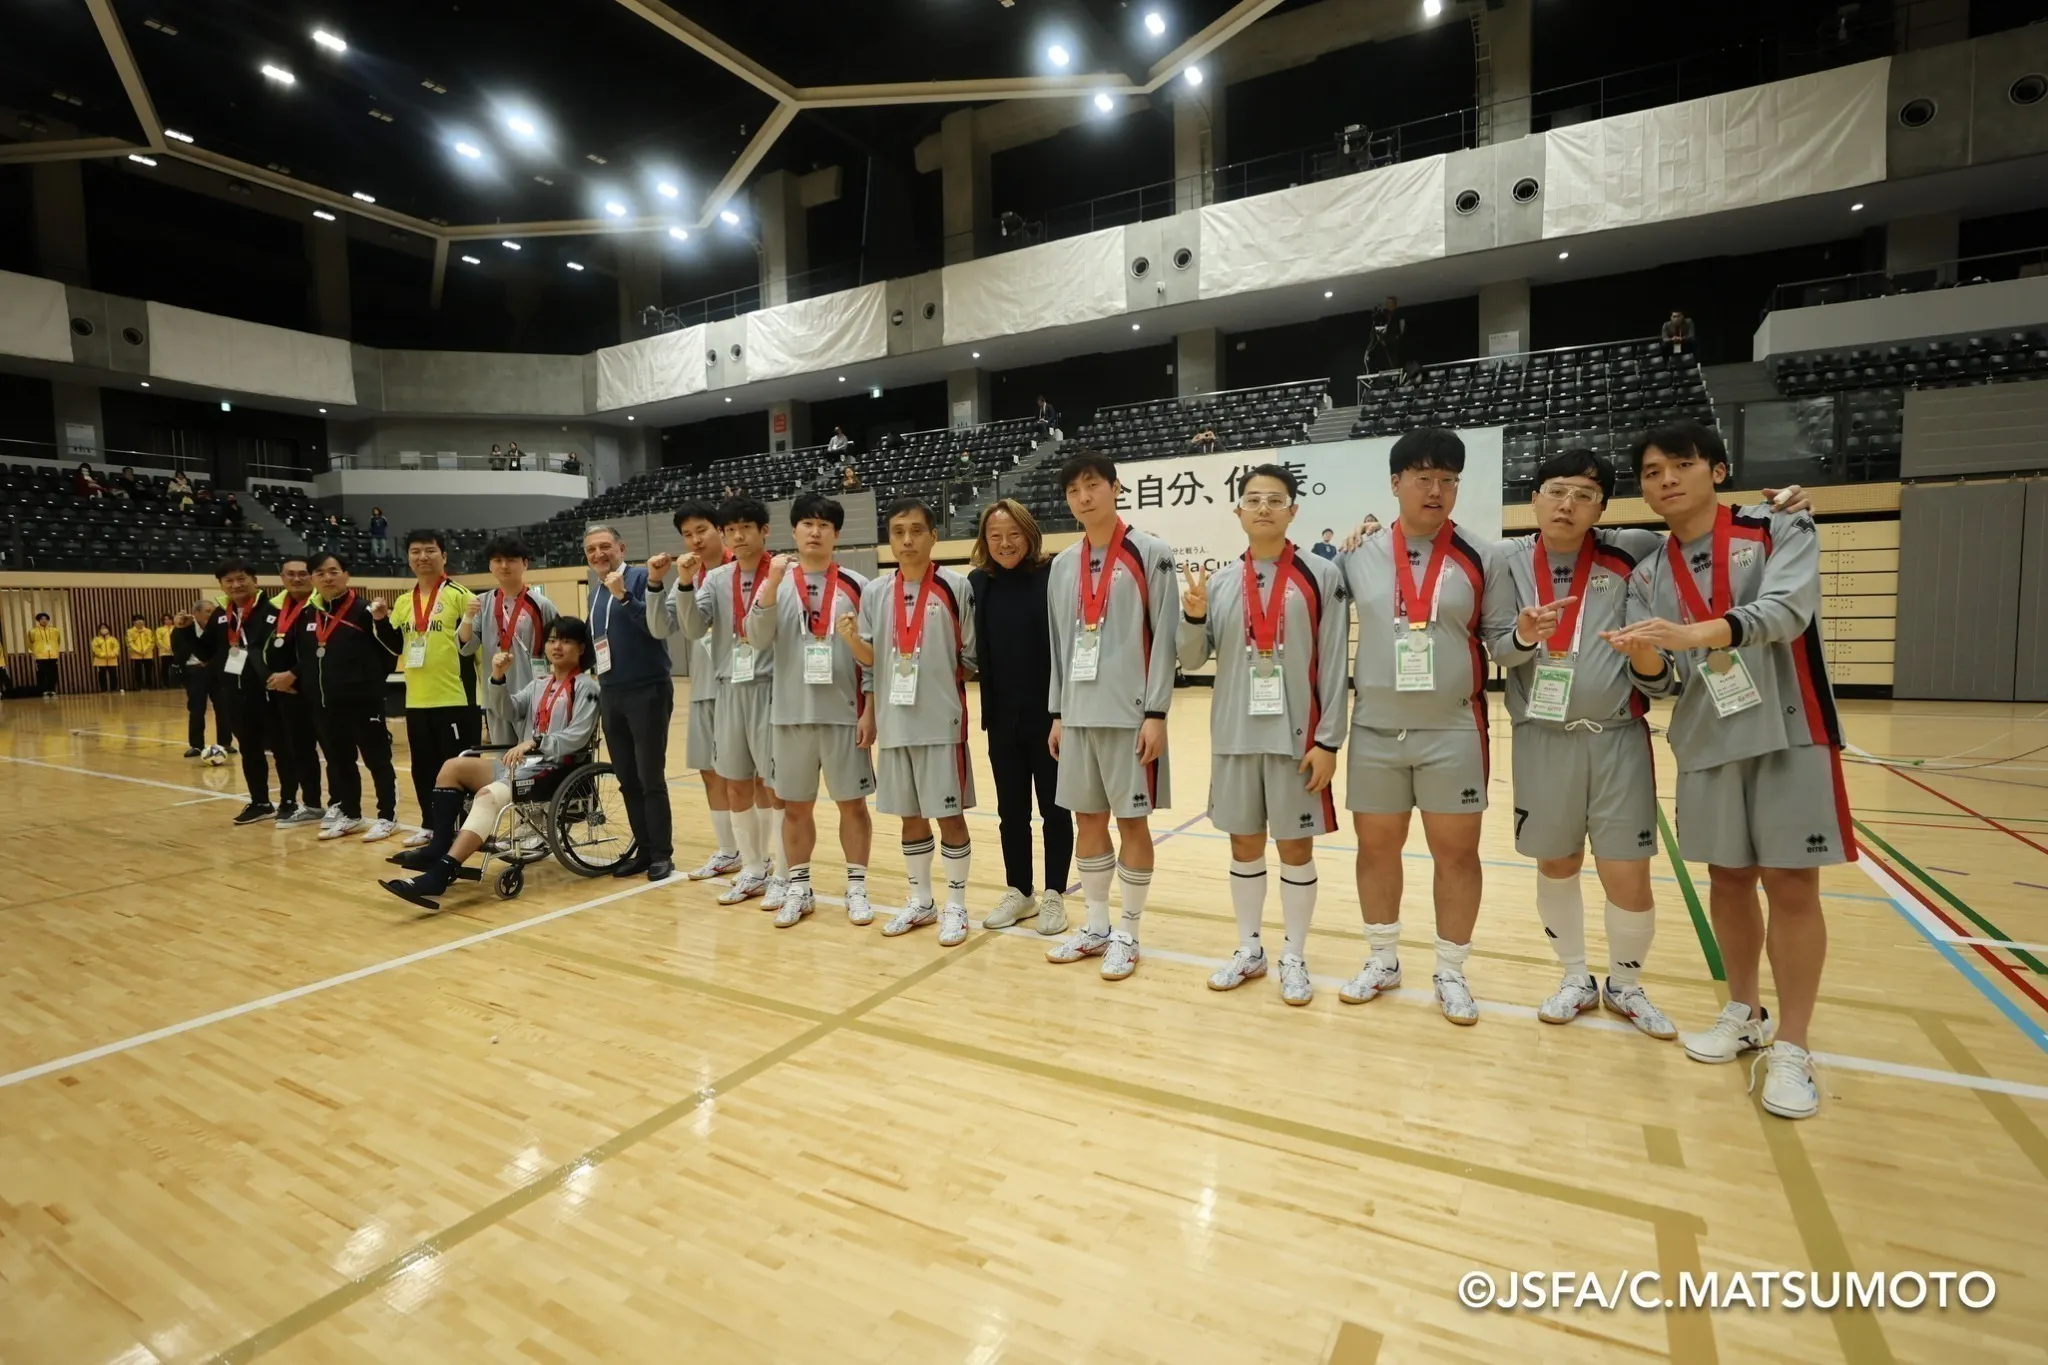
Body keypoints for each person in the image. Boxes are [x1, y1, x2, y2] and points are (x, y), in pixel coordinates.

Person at [1604, 421, 1848, 1120]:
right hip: (1708, 739)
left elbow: (1787, 611)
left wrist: (1692, 632)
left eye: (1681, 465)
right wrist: (1644, 654)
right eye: (1652, 472)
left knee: (1792, 885)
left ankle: (1793, 1044)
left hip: (1790, 730)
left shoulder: (1778, 526)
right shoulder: (1648, 573)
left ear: (1717, 469)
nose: (1667, 480)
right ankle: (1745, 1011)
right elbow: (1663, 681)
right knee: (1729, 881)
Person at [1334, 428, 1518, 1025]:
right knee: (1375, 849)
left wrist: (1523, 637)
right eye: (1423, 478)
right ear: (1396, 484)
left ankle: (1451, 970)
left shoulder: (1484, 556)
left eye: (1448, 480)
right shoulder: (1356, 554)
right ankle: (1382, 959)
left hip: (1453, 731)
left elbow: (1501, 642)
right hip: (1374, 730)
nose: (1436, 490)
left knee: (1457, 855)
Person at [1179, 464, 1350, 1006]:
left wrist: (1328, 741)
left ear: (1293, 510)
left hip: (1297, 740)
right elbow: (1191, 658)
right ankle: (1250, 949)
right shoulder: (1221, 582)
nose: (1263, 509)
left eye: (1275, 500)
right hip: (1234, 735)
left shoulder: (1321, 576)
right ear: (1238, 511)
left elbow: (1334, 663)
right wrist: (1193, 617)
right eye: (1253, 500)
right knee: (1244, 844)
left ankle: (1293, 955)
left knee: (1295, 847)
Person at [1043, 451, 1178, 981]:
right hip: (1078, 717)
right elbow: (1060, 645)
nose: (1084, 497)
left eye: (1092, 485)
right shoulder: (1061, 566)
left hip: (1130, 717)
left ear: (1115, 488)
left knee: (1132, 822)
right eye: (1074, 491)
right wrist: (1058, 712)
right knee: (1088, 820)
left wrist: (1157, 711)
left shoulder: (1151, 553)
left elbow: (1165, 638)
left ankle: (1129, 931)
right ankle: (1096, 925)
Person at [379, 617, 602, 908]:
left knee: (487, 796)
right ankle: (438, 848)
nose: (557, 646)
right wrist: (497, 677)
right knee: (452, 767)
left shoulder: (587, 687)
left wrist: (535, 742)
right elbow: (506, 710)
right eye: (551, 640)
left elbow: (578, 735)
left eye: (566, 641)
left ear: (581, 648)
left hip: (557, 768)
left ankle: (441, 874)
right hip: (524, 764)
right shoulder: (540, 684)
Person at [846, 498, 978, 944]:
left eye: (916, 530)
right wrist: (869, 707)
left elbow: (971, 657)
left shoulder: (956, 587)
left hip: (942, 725)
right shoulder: (875, 593)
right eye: (898, 532)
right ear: (889, 539)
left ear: (933, 536)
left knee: (950, 817)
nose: (907, 540)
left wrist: (937, 686)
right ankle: (922, 901)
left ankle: (956, 905)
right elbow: (870, 662)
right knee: (910, 817)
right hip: (895, 723)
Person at [745, 494, 874, 928]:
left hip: (844, 716)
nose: (815, 532)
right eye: (807, 524)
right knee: (795, 809)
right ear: (794, 531)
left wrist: (869, 710)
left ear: (837, 534)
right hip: (790, 716)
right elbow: (755, 638)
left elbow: (871, 655)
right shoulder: (775, 582)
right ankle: (799, 888)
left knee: (852, 806)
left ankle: (857, 887)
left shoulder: (858, 584)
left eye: (824, 525)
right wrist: (770, 584)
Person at [671, 497, 786, 905]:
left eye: (746, 528)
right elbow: (692, 628)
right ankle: (753, 868)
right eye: (731, 530)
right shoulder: (717, 579)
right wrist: (685, 583)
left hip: (771, 687)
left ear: (763, 531)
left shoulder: (783, 573)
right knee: (736, 783)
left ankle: (784, 872)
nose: (738, 536)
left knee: (775, 785)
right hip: (729, 689)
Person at [968, 499, 1070, 935]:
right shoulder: (979, 582)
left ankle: (1055, 894)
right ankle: (1020, 891)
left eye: (1013, 534)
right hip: (1001, 718)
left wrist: (1061, 713)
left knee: (1055, 810)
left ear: (1029, 535)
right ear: (984, 541)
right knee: (1011, 812)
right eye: (995, 536)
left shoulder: (1052, 576)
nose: (1005, 543)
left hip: (1048, 718)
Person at [649, 503, 739, 883]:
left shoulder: (742, 570)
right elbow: (661, 628)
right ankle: (729, 851)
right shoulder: (689, 576)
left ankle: (761, 857)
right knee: (709, 771)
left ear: (720, 529)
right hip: (704, 687)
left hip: (743, 687)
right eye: (687, 535)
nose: (695, 540)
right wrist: (656, 584)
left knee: (747, 776)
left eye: (701, 530)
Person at [584, 525, 675, 881]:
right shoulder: (595, 593)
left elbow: (655, 627)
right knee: (627, 777)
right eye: (591, 549)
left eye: (605, 546)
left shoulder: (639, 579)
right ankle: (644, 849)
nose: (599, 554)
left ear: (621, 548)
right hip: (611, 692)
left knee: (650, 777)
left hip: (647, 689)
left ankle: (662, 854)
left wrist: (624, 596)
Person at [179, 557, 298, 825]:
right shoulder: (221, 615)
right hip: (235, 694)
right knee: (249, 749)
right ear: (221, 585)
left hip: (271, 693)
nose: (236, 585)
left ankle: (289, 801)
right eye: (229, 581)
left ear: (254, 580)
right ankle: (260, 802)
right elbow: (206, 653)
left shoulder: (273, 610)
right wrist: (186, 631)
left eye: (241, 578)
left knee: (282, 748)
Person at [297, 552, 402, 841]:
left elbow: (392, 651)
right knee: (339, 762)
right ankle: (352, 815)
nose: (327, 578)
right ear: (312, 579)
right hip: (325, 704)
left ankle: (387, 817)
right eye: (320, 573)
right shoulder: (308, 614)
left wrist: (369, 683)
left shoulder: (365, 610)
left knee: (377, 760)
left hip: (363, 702)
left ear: (346, 575)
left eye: (333, 571)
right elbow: (305, 658)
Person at [395, 531, 480, 849]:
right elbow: (396, 644)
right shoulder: (403, 602)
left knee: (459, 768)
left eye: (430, 550)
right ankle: (430, 826)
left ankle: (464, 828)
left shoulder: (462, 596)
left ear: (443, 556)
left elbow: (476, 649)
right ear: (408, 558)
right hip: (417, 700)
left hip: (455, 699)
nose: (422, 557)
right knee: (422, 768)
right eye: (415, 551)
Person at [457, 534, 557, 737]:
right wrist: (467, 617)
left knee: (533, 753)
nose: (504, 565)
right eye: (497, 560)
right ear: (490, 565)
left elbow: (559, 646)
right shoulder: (482, 603)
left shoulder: (542, 605)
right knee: (502, 755)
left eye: (511, 560)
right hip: (496, 696)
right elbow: (466, 647)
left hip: (533, 696)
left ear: (525, 563)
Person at [261, 555, 329, 826]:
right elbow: (256, 648)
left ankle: (341, 804)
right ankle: (311, 804)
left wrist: (294, 675)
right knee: (300, 750)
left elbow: (321, 649)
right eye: (291, 574)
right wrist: (273, 678)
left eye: (303, 573)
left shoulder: (323, 605)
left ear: (311, 576)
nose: (297, 578)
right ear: (282, 577)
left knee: (333, 750)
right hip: (285, 692)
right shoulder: (273, 608)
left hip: (318, 690)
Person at [173, 604, 233, 755]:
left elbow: (222, 648)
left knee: (223, 708)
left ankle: (225, 743)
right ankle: (196, 745)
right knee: (197, 709)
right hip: (195, 672)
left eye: (212, 611)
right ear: (196, 613)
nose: (211, 614)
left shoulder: (218, 628)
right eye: (207, 611)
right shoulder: (183, 628)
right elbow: (177, 649)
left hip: (216, 671)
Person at [1366, 296, 1404, 372]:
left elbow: (1401, 326)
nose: (1389, 305)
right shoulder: (1385, 314)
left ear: (1395, 305)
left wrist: (1398, 335)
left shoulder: (1397, 315)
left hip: (1391, 340)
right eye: (1388, 303)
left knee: (1391, 357)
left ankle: (1393, 370)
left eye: (1391, 303)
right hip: (1384, 340)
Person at [30, 612, 62, 697]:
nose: (44, 620)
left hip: (53, 656)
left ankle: (52, 689)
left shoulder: (55, 630)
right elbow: (30, 643)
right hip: (40, 657)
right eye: (42, 619)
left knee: (53, 673)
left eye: (46, 619)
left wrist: (54, 650)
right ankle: (43, 690)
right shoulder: (33, 631)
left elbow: (58, 641)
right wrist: (36, 651)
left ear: (48, 620)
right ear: (38, 620)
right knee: (41, 674)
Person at [125, 615, 156, 690]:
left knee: (149, 670)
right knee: (137, 671)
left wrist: (145, 650)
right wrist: (138, 650)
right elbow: (130, 642)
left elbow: (151, 641)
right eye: (137, 620)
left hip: (147, 653)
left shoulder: (148, 631)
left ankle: (149, 685)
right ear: (133, 622)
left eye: (141, 620)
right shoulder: (129, 631)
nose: (140, 622)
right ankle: (139, 685)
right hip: (136, 654)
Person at [90, 623, 120, 689]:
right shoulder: (96, 640)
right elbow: (95, 649)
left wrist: (111, 654)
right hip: (100, 660)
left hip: (112, 659)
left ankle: (113, 689)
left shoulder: (113, 639)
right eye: (102, 628)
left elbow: (116, 647)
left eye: (105, 628)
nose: (104, 629)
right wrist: (103, 655)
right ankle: (104, 689)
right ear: (99, 630)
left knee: (113, 675)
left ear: (108, 629)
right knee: (102, 675)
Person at [154, 613, 177, 688]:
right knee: (165, 668)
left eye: (169, 619)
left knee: (176, 667)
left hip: (175, 651)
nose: (167, 621)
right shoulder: (160, 629)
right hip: (164, 652)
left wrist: (174, 647)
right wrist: (166, 647)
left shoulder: (176, 628)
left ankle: (176, 683)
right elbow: (158, 640)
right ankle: (165, 684)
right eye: (165, 619)